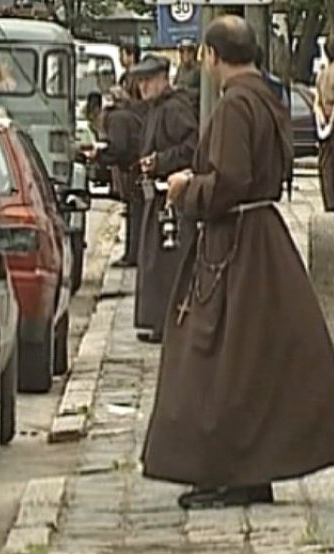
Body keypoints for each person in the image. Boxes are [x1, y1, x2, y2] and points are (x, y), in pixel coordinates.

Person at [141, 15, 334, 509]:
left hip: (235, 247)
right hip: (262, 238)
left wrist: (185, 189)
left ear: (211, 55)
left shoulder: (234, 105)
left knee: (218, 362)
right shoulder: (268, 97)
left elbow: (229, 182)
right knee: (250, 361)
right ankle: (250, 471)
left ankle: (228, 470)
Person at [132, 54, 198, 343]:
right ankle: (155, 320)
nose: (143, 86)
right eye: (140, 81)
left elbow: (191, 146)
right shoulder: (153, 110)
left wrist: (161, 161)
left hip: (171, 196)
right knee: (153, 262)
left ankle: (168, 321)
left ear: (162, 79)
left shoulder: (174, 109)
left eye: (148, 80)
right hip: (155, 195)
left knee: (167, 263)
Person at [92, 77, 147, 268]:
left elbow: (119, 149)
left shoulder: (115, 120)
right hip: (136, 167)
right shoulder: (121, 116)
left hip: (137, 168)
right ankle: (134, 254)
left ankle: (133, 255)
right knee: (134, 212)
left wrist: (99, 156)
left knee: (136, 213)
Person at [314, 32, 334, 211]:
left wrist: (323, 121)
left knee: (326, 170)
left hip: (326, 129)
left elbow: (318, 103)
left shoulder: (322, 75)